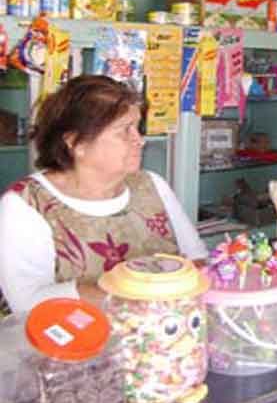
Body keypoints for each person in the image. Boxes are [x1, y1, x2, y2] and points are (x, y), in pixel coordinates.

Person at [0, 75, 207, 316]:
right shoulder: (26, 204)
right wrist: (130, 294)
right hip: (76, 337)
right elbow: (26, 303)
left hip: (161, 334)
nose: (140, 141)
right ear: (75, 142)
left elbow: (197, 260)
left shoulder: (152, 185)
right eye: (124, 131)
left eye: (137, 128)